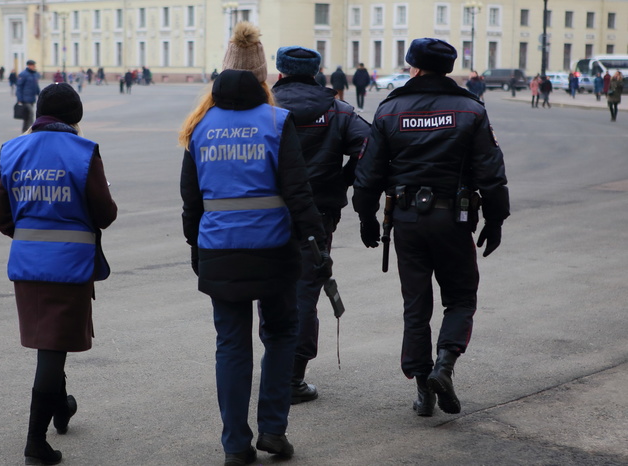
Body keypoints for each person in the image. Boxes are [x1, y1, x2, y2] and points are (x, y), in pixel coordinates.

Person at [179, 22, 332, 466]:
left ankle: (234, 446)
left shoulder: (200, 126)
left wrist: (196, 246)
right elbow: (298, 192)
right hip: (274, 250)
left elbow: (191, 200)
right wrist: (316, 245)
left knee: (231, 344)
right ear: (264, 76)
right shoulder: (276, 120)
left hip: (219, 250)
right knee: (281, 333)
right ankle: (273, 430)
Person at [352, 38, 509, 418]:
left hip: (406, 221)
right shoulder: (471, 109)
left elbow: (368, 172)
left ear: (416, 68)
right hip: (454, 220)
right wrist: (497, 217)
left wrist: (366, 215)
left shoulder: (390, 110)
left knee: (416, 305)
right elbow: (490, 170)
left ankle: (424, 390)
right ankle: (445, 365)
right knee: (460, 298)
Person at [0, 82, 118, 465]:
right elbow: (105, 214)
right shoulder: (83, 152)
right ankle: (35, 442)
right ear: (75, 116)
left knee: (51, 342)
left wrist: (33, 235)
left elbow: (1, 218)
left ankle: (61, 407)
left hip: (27, 267)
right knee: (52, 349)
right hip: (69, 266)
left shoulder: (11, 150)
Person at [272, 46, 370, 405]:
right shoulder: (338, 110)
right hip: (318, 213)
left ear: (279, 70)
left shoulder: (263, 109)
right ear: (317, 72)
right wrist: (340, 179)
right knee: (305, 291)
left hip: (266, 212)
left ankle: (274, 366)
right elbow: (369, 148)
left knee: (269, 288)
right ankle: (293, 376)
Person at [16, 60, 41, 133]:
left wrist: (40, 94)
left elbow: (36, 86)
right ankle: (32, 130)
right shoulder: (23, 74)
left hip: (31, 98)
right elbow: (19, 87)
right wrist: (19, 98)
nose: (34, 67)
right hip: (25, 98)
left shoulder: (34, 74)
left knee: (26, 116)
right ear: (29, 66)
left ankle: (24, 130)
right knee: (31, 113)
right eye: (33, 66)